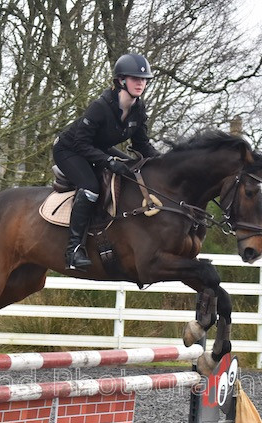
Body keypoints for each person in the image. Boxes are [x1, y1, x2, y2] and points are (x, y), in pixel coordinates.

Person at [53, 53, 161, 271]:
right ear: (121, 80)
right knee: (91, 187)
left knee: (132, 170)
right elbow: (81, 144)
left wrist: (165, 163)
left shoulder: (139, 110)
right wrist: (109, 161)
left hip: (95, 149)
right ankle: (74, 250)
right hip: (69, 149)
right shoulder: (100, 107)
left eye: (144, 80)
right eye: (135, 79)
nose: (141, 83)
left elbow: (142, 146)